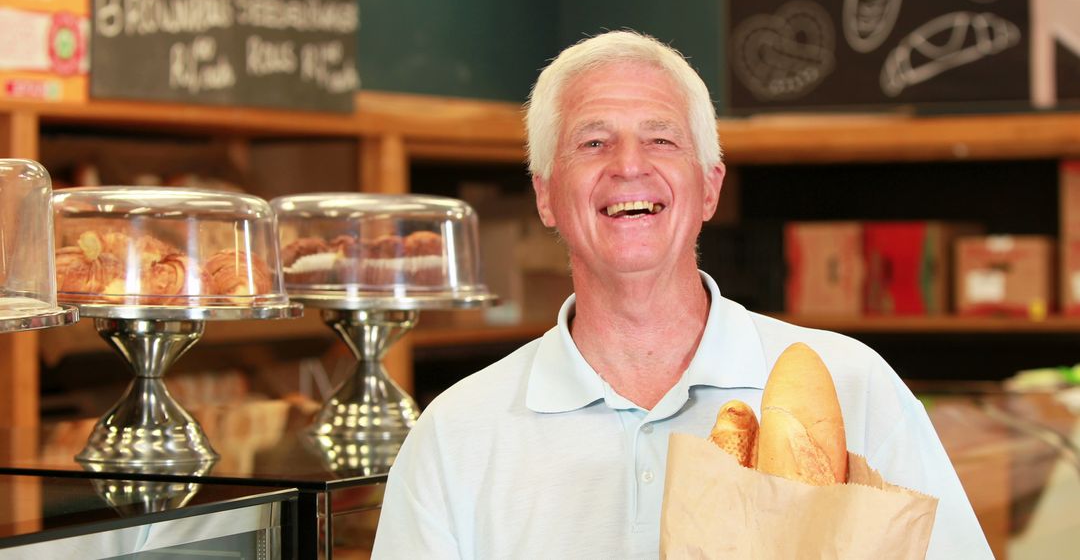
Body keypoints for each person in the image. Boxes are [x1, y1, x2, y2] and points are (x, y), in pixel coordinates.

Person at [372, 30, 991, 559]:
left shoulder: (854, 387)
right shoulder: (455, 434)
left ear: (709, 188)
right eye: (593, 142)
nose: (628, 165)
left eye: (661, 139)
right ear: (545, 196)